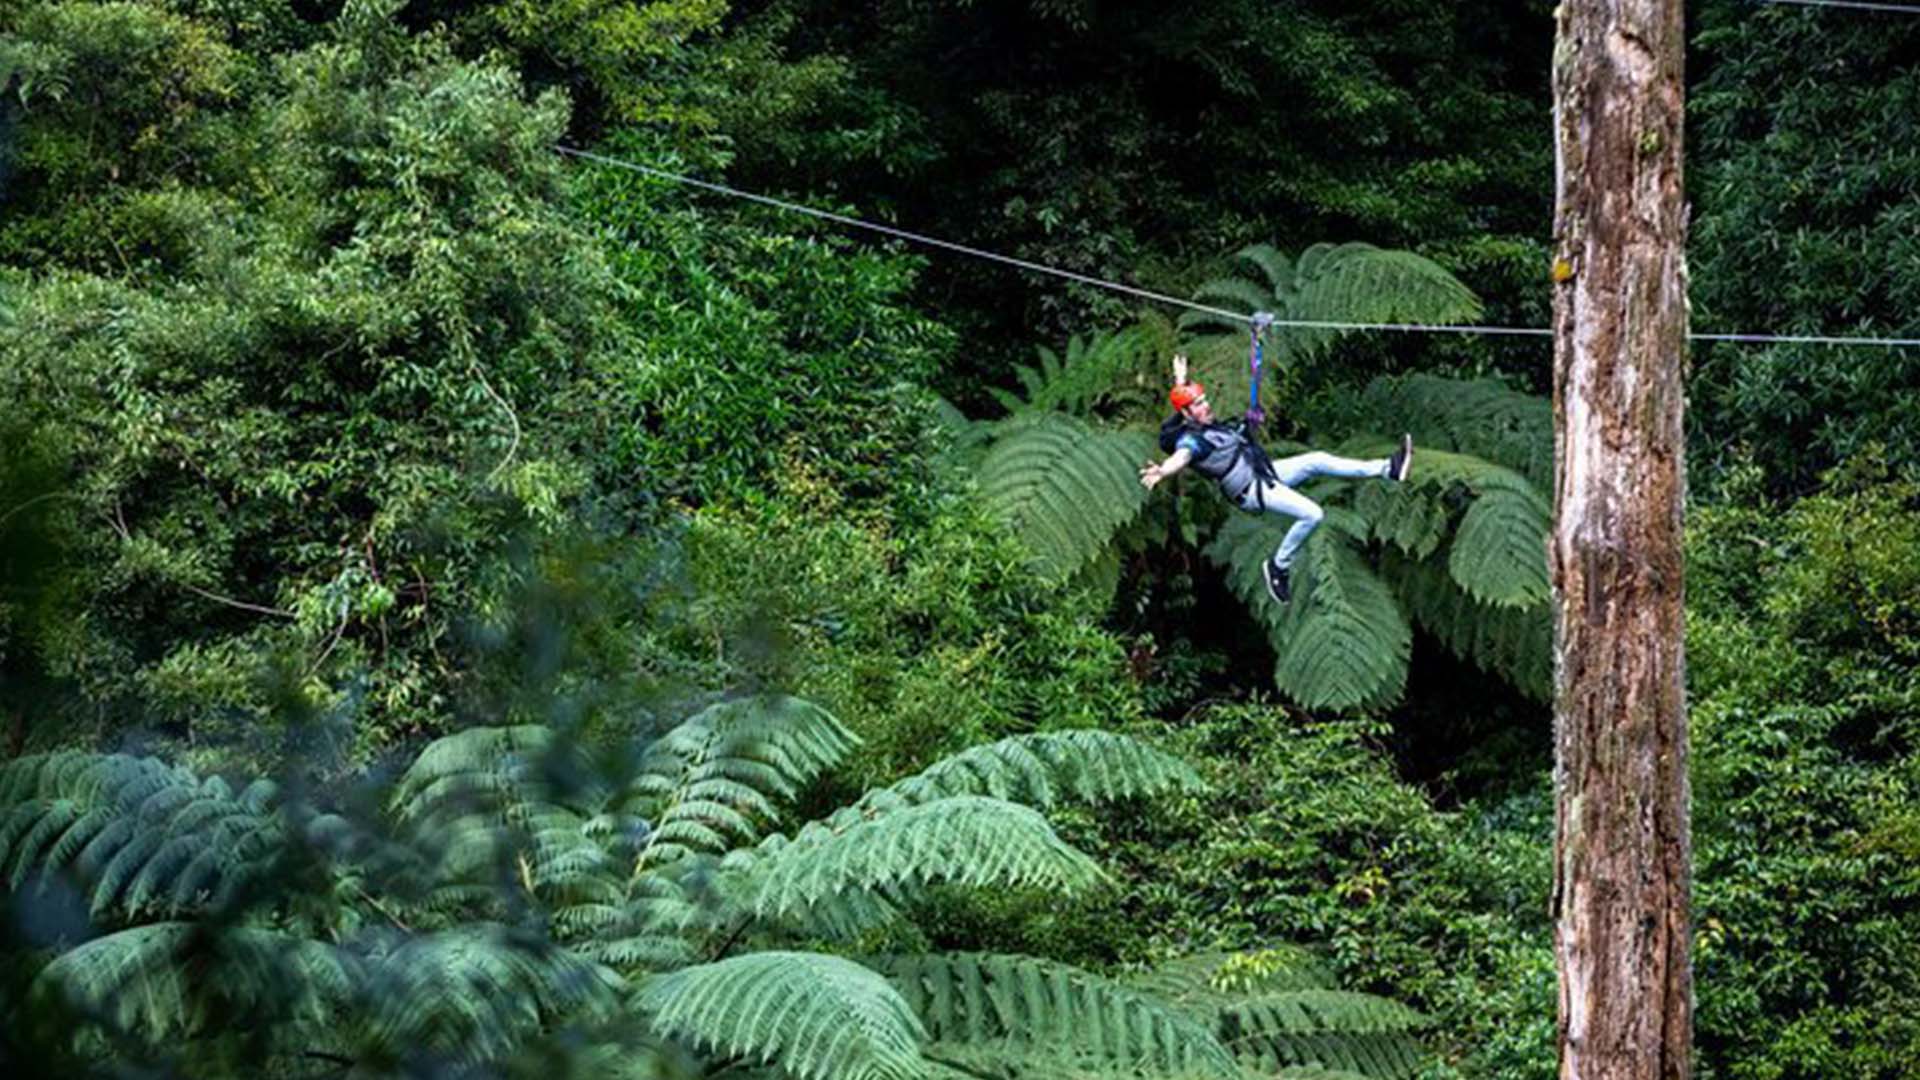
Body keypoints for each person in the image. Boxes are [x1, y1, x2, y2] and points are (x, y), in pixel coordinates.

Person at [1140, 354, 1412, 604]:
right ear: (1188, 415)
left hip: (1262, 473)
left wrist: (1181, 381)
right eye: (1199, 404)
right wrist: (1164, 470)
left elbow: (1184, 407)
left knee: (1315, 459)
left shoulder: (1205, 424)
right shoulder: (1191, 440)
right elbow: (1182, 456)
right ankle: (1278, 566)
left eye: (1204, 399)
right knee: (1313, 514)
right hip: (1252, 491)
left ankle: (1388, 468)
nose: (1206, 405)